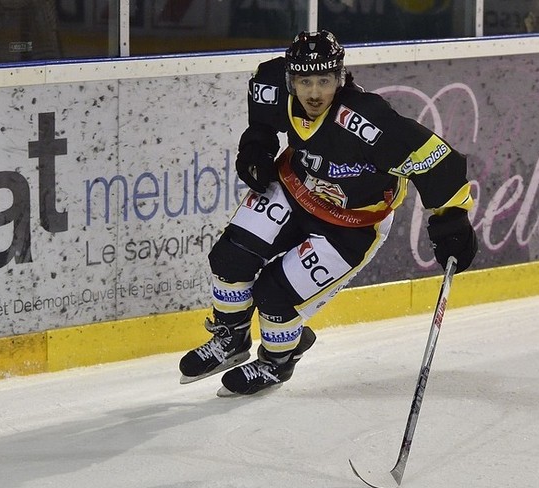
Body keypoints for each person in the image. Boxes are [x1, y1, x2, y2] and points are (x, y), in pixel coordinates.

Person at [179, 30, 478, 396]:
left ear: (340, 78)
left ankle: (277, 362)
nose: (315, 92)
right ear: (291, 79)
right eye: (305, 81)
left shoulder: (366, 122)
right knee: (229, 259)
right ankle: (232, 337)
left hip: (352, 225)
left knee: (275, 294)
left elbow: (436, 161)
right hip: (293, 188)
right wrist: (256, 148)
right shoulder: (272, 81)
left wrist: (451, 219)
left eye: (324, 80)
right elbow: (261, 122)